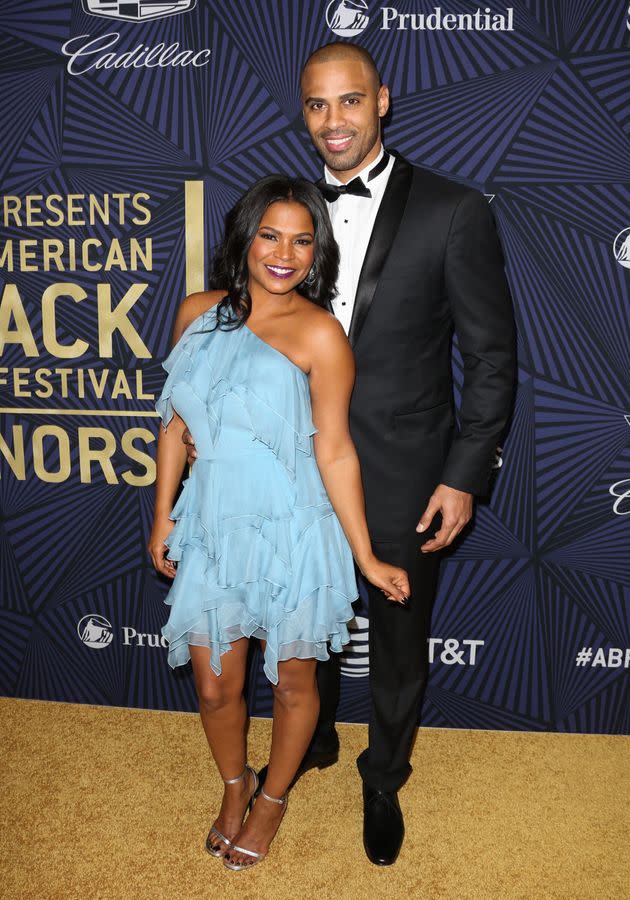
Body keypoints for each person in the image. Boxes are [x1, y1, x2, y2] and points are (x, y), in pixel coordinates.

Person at [183, 44, 516, 866]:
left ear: (383, 102)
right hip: (289, 471)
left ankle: (384, 774)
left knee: (398, 640)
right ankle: (316, 743)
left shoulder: (452, 209)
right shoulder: (284, 211)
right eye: (317, 105)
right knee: (304, 630)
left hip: (403, 467)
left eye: (350, 102)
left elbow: (492, 358)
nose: (334, 121)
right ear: (304, 112)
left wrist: (462, 475)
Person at [148, 175, 410, 871]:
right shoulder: (196, 312)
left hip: (295, 525)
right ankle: (235, 786)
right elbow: (175, 424)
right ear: (245, 238)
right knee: (214, 684)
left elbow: (335, 449)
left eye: (301, 240)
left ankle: (273, 799)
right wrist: (160, 518)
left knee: (295, 684)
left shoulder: (321, 334)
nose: (284, 253)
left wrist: (367, 555)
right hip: (212, 522)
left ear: (316, 252)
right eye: (270, 235)